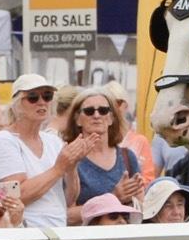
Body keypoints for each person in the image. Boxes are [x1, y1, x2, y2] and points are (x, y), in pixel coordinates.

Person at [0, 74, 84, 230]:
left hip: (58, 231)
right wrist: (59, 169)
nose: (41, 102)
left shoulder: (53, 141)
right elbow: (15, 196)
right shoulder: (4, 141)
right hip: (23, 234)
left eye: (47, 96)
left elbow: (69, 199)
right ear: (16, 104)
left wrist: (71, 167)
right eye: (32, 97)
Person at [61, 89, 146, 223]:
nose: (96, 115)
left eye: (103, 110)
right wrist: (113, 198)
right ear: (77, 119)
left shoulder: (127, 157)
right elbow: (65, 215)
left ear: (112, 118)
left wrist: (136, 195)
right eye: (89, 111)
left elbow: (141, 205)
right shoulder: (70, 158)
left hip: (123, 239)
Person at [104, 81, 159, 180]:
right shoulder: (99, 140)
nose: (112, 109)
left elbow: (148, 178)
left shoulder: (140, 141)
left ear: (125, 105)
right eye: (107, 105)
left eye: (117, 103)